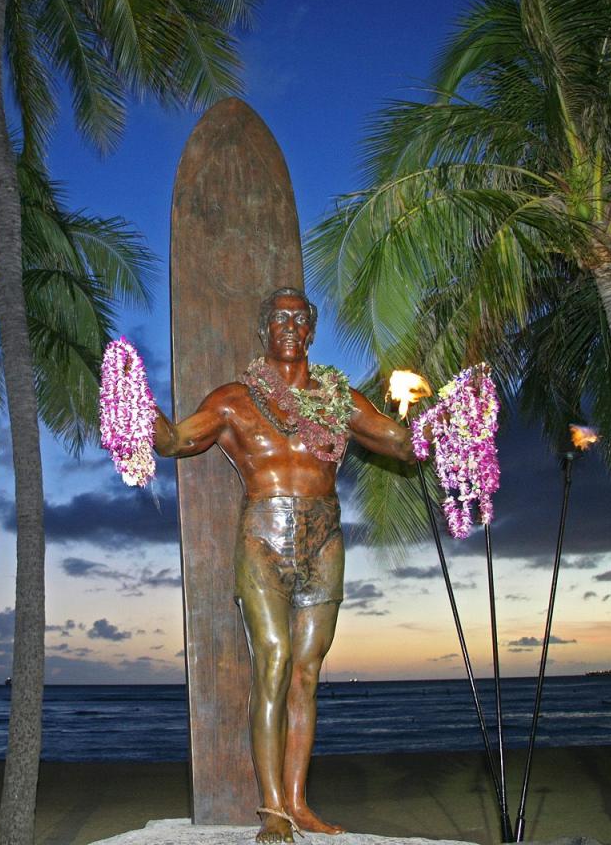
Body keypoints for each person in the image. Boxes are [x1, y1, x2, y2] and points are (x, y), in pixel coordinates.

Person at [154, 287, 416, 844]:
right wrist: (137, 410)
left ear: (312, 331)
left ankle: (298, 802)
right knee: (272, 660)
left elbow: (400, 442)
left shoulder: (338, 397)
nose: (291, 326)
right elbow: (177, 440)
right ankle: (271, 808)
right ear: (264, 329)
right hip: (263, 536)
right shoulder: (234, 400)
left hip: (324, 536)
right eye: (280, 318)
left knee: (307, 672)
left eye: (301, 319)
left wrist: (445, 427)